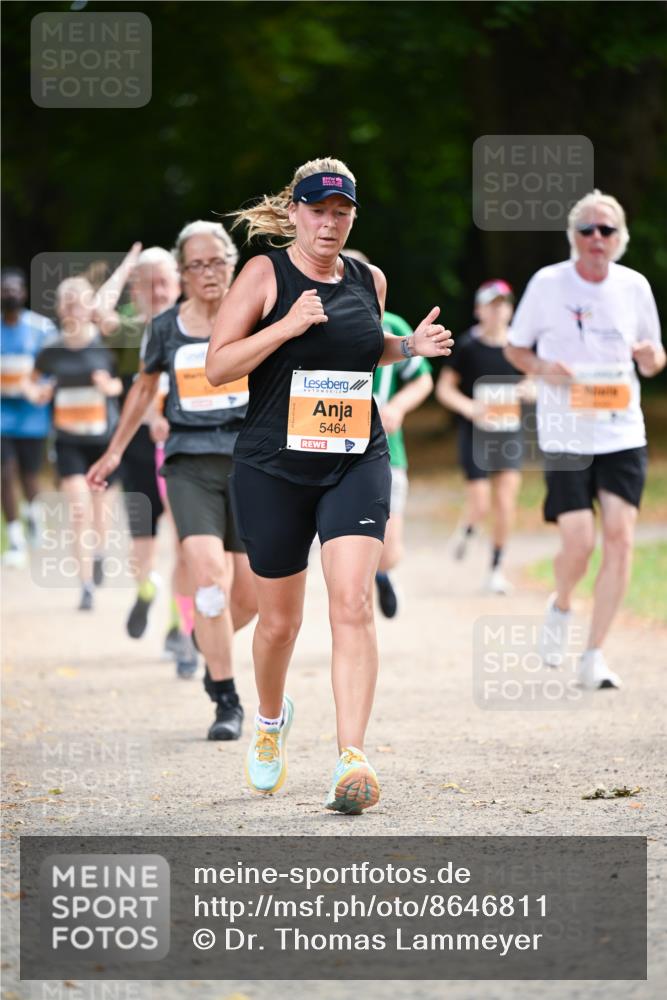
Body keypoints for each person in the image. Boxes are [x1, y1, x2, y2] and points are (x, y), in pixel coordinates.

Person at [206, 157, 453, 813]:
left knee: (351, 602)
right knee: (279, 623)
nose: (329, 223)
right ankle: (267, 721)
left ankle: (352, 759)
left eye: (341, 212)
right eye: (317, 211)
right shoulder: (264, 274)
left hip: (354, 455)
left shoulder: (367, 278)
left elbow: (361, 349)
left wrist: (408, 348)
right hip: (273, 468)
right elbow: (216, 366)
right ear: (294, 213)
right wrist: (285, 326)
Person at [87, 221, 257, 739]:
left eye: (216, 262)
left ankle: (211, 648)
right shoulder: (165, 329)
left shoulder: (258, 315)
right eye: (196, 265)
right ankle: (225, 700)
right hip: (189, 464)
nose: (208, 273)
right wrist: (114, 452)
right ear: (183, 274)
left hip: (253, 465)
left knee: (250, 596)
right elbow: (141, 391)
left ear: (232, 264)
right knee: (208, 579)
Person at [505, 190, 665, 689]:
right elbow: (514, 349)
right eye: (588, 230)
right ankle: (562, 604)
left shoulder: (634, 286)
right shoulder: (548, 284)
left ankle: (594, 654)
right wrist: (541, 367)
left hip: (621, 430)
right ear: (573, 236)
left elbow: (656, 355)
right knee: (579, 542)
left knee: (619, 540)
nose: (598, 239)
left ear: (620, 239)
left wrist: (648, 358)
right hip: (566, 430)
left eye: (607, 230)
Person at [96, 247, 196, 669]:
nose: (156, 291)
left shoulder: (194, 325)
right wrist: (125, 269)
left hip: (181, 448)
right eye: (147, 283)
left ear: (177, 284)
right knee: (143, 549)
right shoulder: (130, 329)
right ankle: (148, 589)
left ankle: (180, 629)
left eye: (163, 282)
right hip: (137, 449)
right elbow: (97, 311)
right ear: (135, 290)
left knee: (187, 542)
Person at [24, 275, 123, 610]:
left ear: (89, 305)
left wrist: (108, 387)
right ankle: (85, 587)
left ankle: (100, 552)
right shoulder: (51, 349)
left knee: (100, 513)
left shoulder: (106, 344)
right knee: (79, 512)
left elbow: (125, 386)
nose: (72, 307)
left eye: (79, 300)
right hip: (68, 442)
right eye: (66, 301)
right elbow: (31, 384)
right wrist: (38, 394)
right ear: (59, 307)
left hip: (104, 441)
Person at [344, 249, 433, 618]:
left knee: (389, 551)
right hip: (330, 448)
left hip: (385, 450)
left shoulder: (392, 323)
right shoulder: (313, 322)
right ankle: (353, 610)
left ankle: (382, 577)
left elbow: (422, 379)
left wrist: (396, 407)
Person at [436, 280, 530, 594]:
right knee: (479, 503)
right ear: (479, 310)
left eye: (503, 304)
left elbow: (536, 383)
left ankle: (495, 569)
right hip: (476, 433)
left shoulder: (520, 347)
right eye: (492, 304)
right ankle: (468, 528)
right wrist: (469, 407)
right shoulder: (467, 346)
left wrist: (528, 390)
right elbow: (445, 389)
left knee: (505, 501)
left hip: (509, 432)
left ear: (511, 310)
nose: (498, 310)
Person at [1, 268, 57, 567]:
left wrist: (47, 387)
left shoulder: (41, 328)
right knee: (5, 473)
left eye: (15, 288)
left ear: (24, 292)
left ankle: (33, 517)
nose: (10, 293)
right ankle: (14, 538)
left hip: (33, 417)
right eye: (5, 289)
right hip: (2, 417)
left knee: (29, 475)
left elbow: (59, 364)